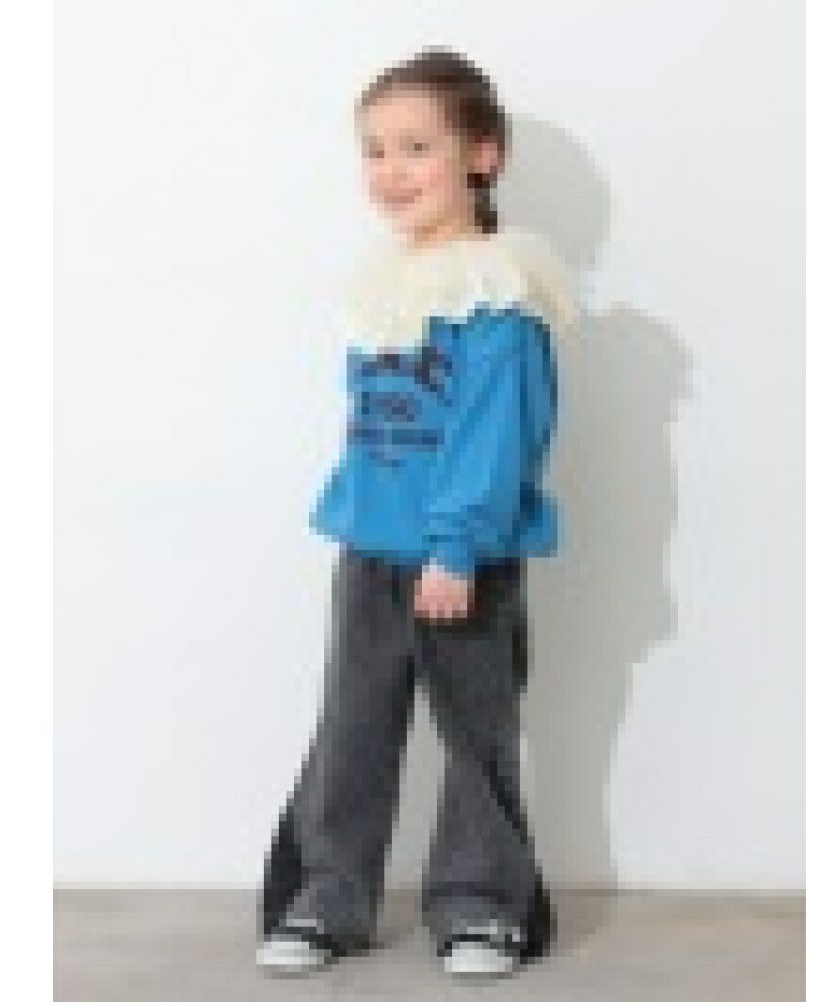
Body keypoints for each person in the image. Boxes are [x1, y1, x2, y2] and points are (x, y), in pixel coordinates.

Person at [255, 46, 578, 980]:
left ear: (482, 155)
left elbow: (496, 436)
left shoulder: (500, 296)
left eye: (415, 148)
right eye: (374, 150)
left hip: (459, 560)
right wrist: (363, 518)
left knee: (476, 733)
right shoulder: (385, 287)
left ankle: (481, 905)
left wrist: (456, 545)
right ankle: (330, 896)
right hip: (371, 551)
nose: (389, 171)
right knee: (351, 730)